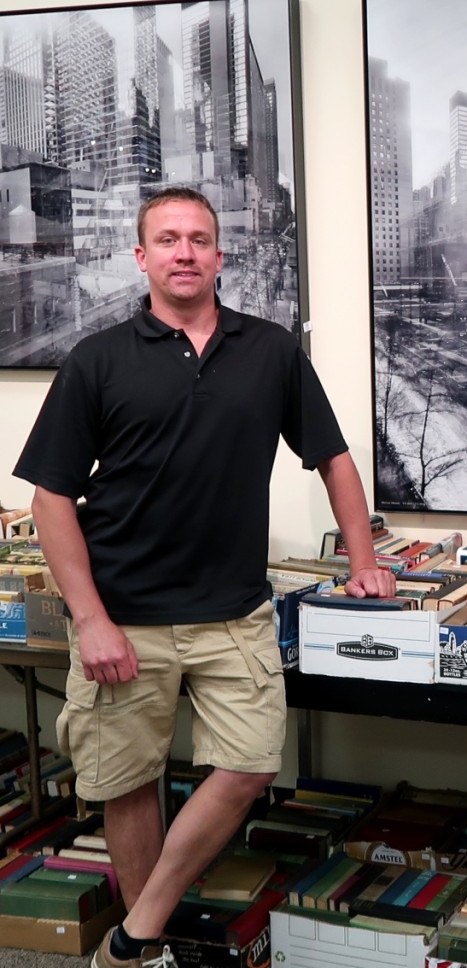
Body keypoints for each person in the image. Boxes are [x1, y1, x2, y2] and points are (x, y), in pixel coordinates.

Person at [13, 186, 395, 968]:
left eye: (198, 239)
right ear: (142, 257)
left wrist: (365, 563)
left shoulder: (271, 350)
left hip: (233, 613)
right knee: (128, 783)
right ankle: (144, 957)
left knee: (251, 764)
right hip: (123, 614)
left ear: (221, 256)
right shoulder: (97, 360)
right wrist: (88, 619)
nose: (183, 252)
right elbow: (51, 498)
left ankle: (133, 933)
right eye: (167, 240)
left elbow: (333, 458)